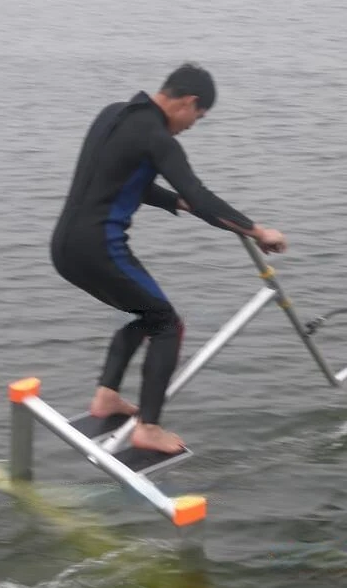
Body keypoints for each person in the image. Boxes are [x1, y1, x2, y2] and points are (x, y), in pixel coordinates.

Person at [50, 63, 287, 453]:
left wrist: (177, 202)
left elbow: (125, 180)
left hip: (64, 247)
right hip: (97, 248)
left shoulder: (114, 114)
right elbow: (202, 196)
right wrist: (257, 231)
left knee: (145, 313)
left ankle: (106, 398)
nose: (193, 125)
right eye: (199, 117)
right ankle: (149, 427)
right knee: (167, 324)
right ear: (189, 102)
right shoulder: (158, 137)